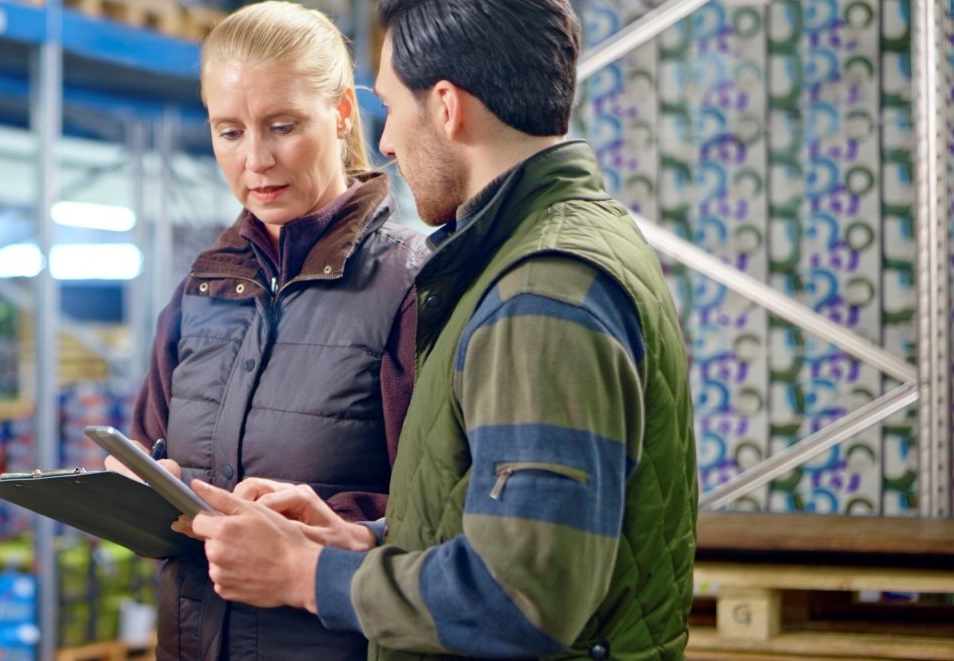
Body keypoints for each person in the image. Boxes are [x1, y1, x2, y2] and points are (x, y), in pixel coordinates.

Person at [185, 0, 699, 659]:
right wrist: (362, 541)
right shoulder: (528, 259)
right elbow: (500, 522)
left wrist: (307, 574)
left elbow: (522, 594)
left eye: (391, 107)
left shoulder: (541, 291)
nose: (386, 144)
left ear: (448, 107)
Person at [106, 2, 429, 659]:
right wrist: (136, 486)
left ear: (342, 113)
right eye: (229, 132)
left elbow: (442, 516)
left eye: (283, 126)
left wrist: (337, 532)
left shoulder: (410, 285)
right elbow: (148, 440)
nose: (255, 159)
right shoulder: (201, 287)